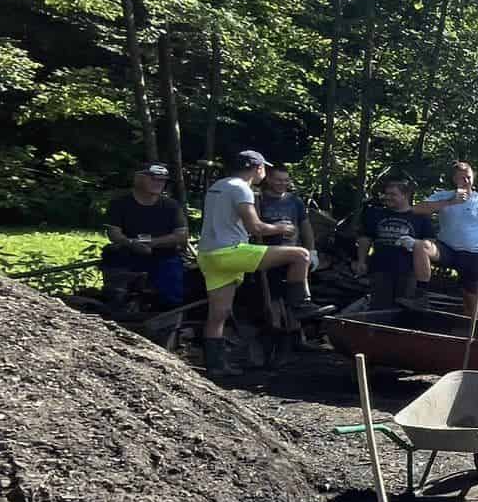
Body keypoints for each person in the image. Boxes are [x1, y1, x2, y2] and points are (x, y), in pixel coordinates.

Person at [197, 149, 322, 379]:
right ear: (257, 168)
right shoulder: (241, 188)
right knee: (301, 255)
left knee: (219, 314)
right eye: (264, 167)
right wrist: (280, 228)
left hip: (208, 255)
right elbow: (255, 227)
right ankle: (301, 304)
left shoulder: (218, 186)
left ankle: (215, 365)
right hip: (229, 251)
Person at [101, 162, 188, 311]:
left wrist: (152, 243)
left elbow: (181, 235)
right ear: (137, 178)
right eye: (153, 179)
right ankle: (117, 306)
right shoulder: (119, 203)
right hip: (127, 252)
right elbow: (114, 233)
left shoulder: (171, 206)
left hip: (164, 255)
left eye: (162, 180)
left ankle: (167, 315)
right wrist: (130, 243)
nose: (159, 183)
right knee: (112, 256)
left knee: (172, 286)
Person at [416, 160, 478, 312]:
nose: (466, 181)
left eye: (469, 177)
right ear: (454, 179)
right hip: (447, 249)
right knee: (421, 246)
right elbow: (417, 209)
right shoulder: (443, 196)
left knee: (471, 298)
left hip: (473, 253)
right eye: (462, 178)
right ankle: (420, 295)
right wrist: (450, 202)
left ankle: (470, 327)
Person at [358, 178, 436, 309]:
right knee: (379, 307)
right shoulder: (376, 214)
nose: (387, 197)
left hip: (408, 271)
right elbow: (365, 238)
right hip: (380, 269)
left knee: (403, 308)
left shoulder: (420, 217)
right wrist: (361, 261)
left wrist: (415, 244)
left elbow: (431, 243)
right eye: (386, 194)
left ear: (405, 195)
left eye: (393, 194)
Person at [255, 165, 319, 267]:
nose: (283, 183)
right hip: (266, 254)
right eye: (278, 180)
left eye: (286, 180)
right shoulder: (258, 200)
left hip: (292, 253)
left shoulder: (295, 201)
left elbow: (305, 227)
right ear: (268, 179)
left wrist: (312, 251)